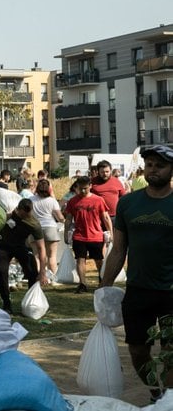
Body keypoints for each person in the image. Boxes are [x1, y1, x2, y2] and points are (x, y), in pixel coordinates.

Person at [102, 145, 173, 403]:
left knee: (170, 352)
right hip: (138, 290)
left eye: (160, 165)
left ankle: (167, 403)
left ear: (171, 170)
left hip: (171, 292)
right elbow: (119, 249)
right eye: (150, 164)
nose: (153, 169)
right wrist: (105, 286)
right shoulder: (128, 203)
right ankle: (158, 394)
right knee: (137, 350)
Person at [0, 198, 48, 313]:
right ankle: (6, 304)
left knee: (32, 270)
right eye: (22, 215)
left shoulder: (34, 224)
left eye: (27, 215)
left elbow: (41, 248)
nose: (25, 217)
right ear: (18, 209)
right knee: (1, 272)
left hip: (20, 246)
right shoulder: (9, 215)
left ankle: (32, 302)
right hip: (3, 247)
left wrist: (42, 272)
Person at [64, 176, 112, 293]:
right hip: (79, 236)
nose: (83, 191)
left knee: (99, 260)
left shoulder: (98, 200)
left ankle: (102, 281)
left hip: (96, 236)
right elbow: (69, 219)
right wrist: (66, 233)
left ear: (90, 186)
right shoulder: (72, 201)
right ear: (77, 187)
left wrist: (111, 232)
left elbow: (106, 217)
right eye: (80, 188)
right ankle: (82, 284)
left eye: (85, 188)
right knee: (80, 259)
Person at [30, 178, 65, 276]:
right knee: (52, 256)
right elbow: (60, 217)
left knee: (37, 256)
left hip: (35, 228)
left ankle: (38, 276)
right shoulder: (52, 201)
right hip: (50, 227)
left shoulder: (31, 200)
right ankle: (53, 277)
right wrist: (64, 221)